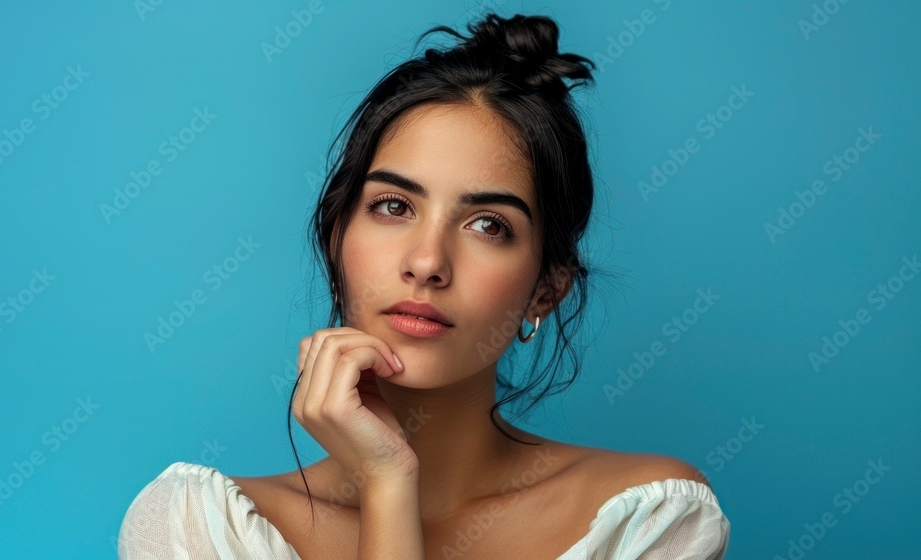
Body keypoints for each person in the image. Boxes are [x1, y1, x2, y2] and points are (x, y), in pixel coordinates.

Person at [118, 12, 730, 559]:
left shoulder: (647, 521)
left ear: (547, 289)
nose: (428, 262)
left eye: (488, 225)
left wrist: (386, 486)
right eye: (393, 206)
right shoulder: (195, 530)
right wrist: (387, 482)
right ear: (336, 238)